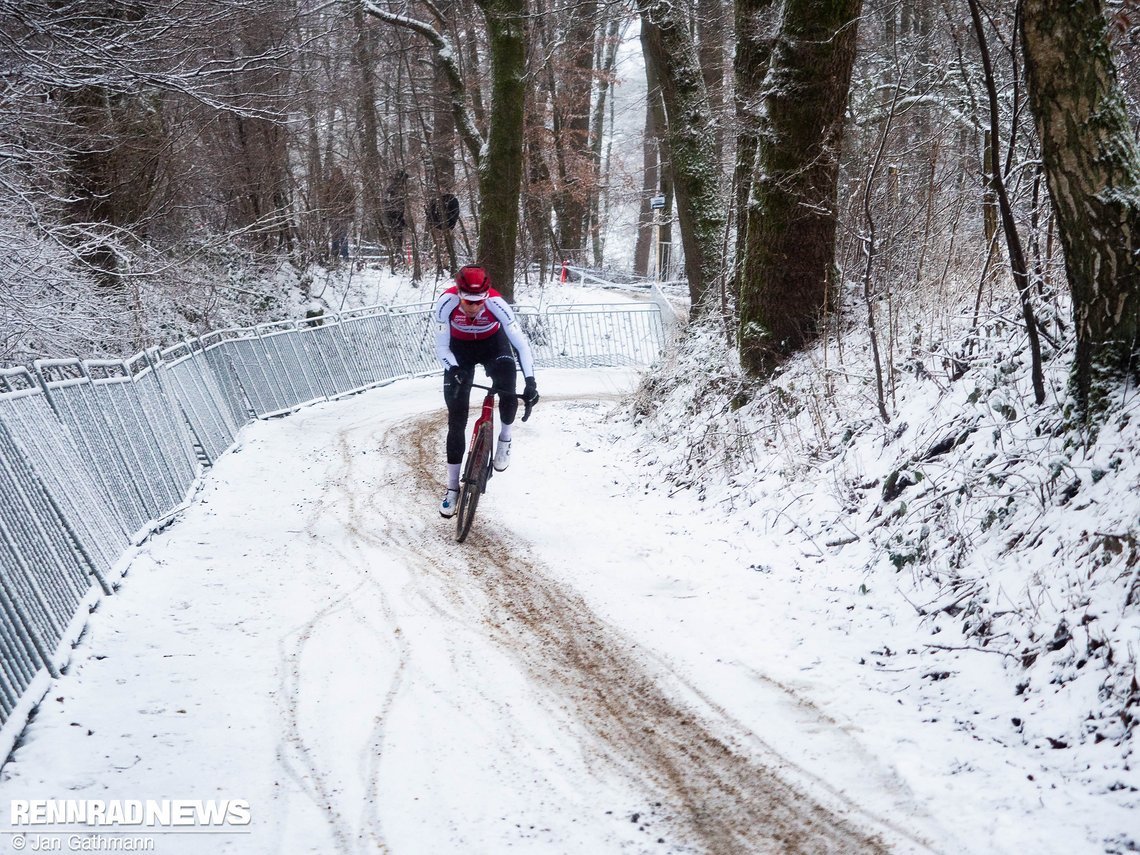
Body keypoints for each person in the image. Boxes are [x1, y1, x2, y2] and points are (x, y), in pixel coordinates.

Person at [433, 265, 539, 518]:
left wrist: (531, 382)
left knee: (508, 387)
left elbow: (522, 347)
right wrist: (455, 368)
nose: (474, 307)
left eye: (479, 301)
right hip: (459, 351)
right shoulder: (445, 304)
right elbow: (441, 348)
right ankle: (451, 489)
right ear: (458, 293)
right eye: (469, 302)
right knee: (456, 420)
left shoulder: (497, 304)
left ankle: (505, 438)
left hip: (493, 345)